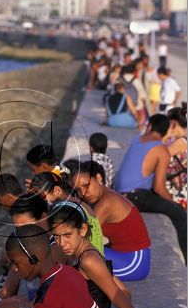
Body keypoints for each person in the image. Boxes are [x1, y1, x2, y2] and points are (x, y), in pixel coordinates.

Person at [48, 202, 172, 308]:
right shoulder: (79, 253)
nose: (62, 243)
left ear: (83, 230)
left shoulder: (88, 260)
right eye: (56, 236)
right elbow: (126, 293)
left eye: (67, 235)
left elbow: (125, 305)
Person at [114, 114, 187, 265]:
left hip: (120, 192)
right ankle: (186, 260)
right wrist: (174, 203)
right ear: (166, 131)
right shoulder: (161, 150)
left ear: (150, 126)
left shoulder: (137, 139)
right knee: (180, 214)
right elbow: (159, 188)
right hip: (136, 196)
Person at [72, 161, 152, 281]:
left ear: (98, 178)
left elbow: (86, 234)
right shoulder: (105, 196)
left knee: (79, 258)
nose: (83, 193)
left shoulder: (108, 202)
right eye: (78, 190)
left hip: (134, 263)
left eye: (86, 185)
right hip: (121, 255)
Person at [29, 171, 104, 254]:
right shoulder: (72, 203)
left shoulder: (67, 211)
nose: (39, 204)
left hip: (89, 257)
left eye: (40, 197)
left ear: (57, 191)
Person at [165, 106, 187, 210]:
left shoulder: (181, 142)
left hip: (177, 193)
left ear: (174, 122)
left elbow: (159, 156)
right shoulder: (181, 141)